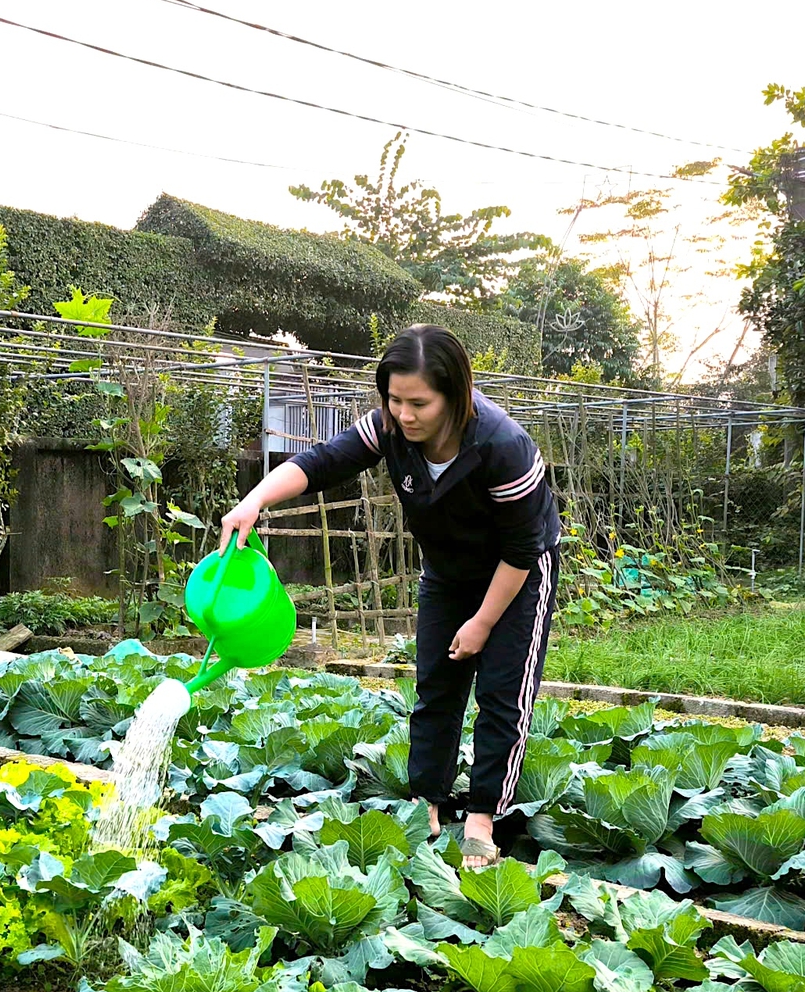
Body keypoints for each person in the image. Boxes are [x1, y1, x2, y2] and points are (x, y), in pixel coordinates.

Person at [219, 325, 560, 867]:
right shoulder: (390, 429)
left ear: (456, 394)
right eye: (395, 400)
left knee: (503, 693)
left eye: (419, 403)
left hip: (515, 576)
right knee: (435, 688)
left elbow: (522, 549)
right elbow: (322, 462)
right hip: (447, 573)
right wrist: (253, 501)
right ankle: (426, 800)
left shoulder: (502, 447)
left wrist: (482, 623)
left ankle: (480, 819)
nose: (405, 414)